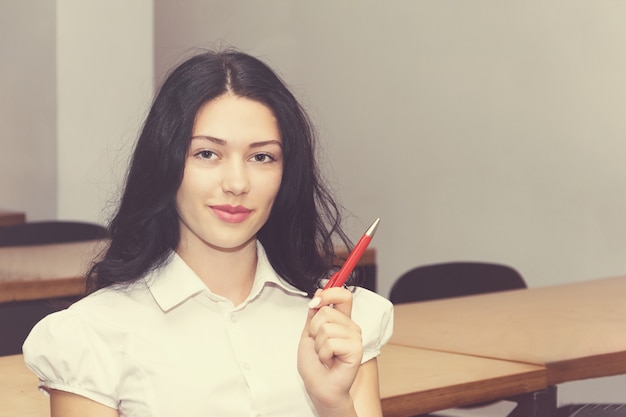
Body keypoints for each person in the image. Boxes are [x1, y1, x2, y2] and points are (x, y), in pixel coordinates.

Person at [23, 48, 393, 417]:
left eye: (261, 157)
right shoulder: (92, 335)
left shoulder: (337, 320)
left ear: (286, 174)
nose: (236, 183)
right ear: (165, 162)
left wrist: (332, 404)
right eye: (206, 154)